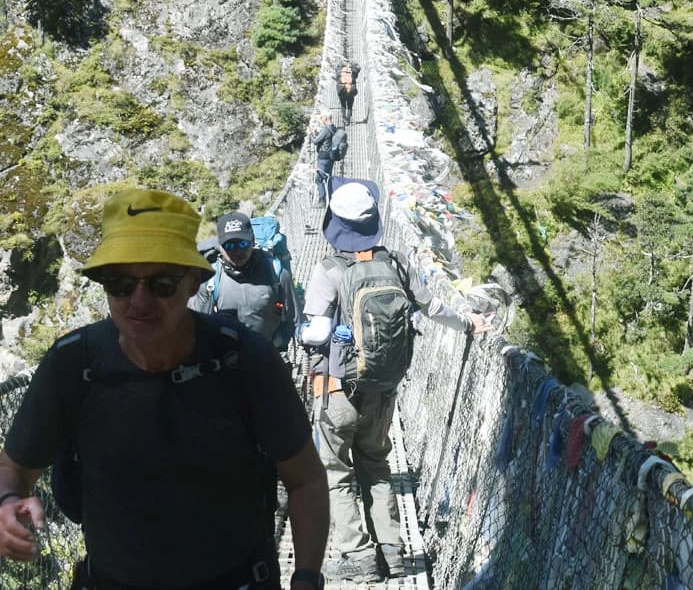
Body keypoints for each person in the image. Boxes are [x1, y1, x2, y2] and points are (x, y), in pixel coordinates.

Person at [0, 188, 329, 590]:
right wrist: (7, 503)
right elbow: (13, 469)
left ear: (193, 283)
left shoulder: (246, 360)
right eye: (119, 282)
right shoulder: (72, 364)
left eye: (162, 283)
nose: (139, 301)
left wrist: (307, 578)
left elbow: (306, 479)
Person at [300, 178, 490, 583]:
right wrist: (469, 322)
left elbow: (314, 334)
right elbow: (434, 306)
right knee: (376, 464)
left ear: (335, 223)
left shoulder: (329, 270)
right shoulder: (397, 262)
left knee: (335, 471)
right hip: (384, 390)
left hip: (338, 391)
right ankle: (393, 551)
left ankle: (358, 556)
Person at [188, 211, 296, 351]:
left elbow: (294, 320)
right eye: (229, 246)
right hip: (226, 363)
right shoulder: (210, 280)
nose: (237, 251)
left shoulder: (277, 273)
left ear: (252, 241)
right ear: (219, 246)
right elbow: (196, 329)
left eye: (243, 243)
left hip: (270, 357)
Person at [310, 111, 335, 207]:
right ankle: (332, 200)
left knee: (319, 179)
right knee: (328, 179)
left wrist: (312, 134)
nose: (321, 121)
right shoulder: (334, 128)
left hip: (323, 158)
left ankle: (322, 201)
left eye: (321, 118)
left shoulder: (325, 130)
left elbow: (315, 141)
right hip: (331, 157)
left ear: (325, 118)